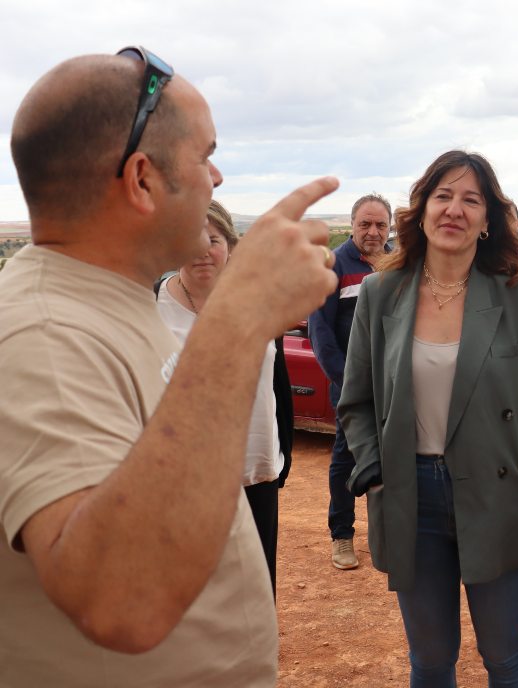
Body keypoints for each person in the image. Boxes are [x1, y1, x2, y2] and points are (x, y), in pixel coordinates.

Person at [0, 47, 337, 685]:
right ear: (142, 179)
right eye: (205, 155)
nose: (216, 179)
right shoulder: (44, 332)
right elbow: (121, 601)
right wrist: (237, 323)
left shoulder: (107, 303)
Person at [339, 150, 518, 687]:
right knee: (432, 658)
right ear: (421, 210)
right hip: (408, 495)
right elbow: (355, 401)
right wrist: (374, 471)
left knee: (505, 654)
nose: (454, 210)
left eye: (471, 200)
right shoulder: (380, 292)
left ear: (489, 221)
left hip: (498, 489)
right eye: (443, 196)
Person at [155, 199, 295, 595]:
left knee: (255, 591)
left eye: (213, 238)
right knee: (188, 598)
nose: (203, 249)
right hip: (179, 482)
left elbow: (276, 385)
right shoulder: (151, 306)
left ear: (230, 245)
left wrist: (282, 456)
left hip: (255, 472)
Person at [309, 192, 392, 569]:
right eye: (365, 224)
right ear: (352, 224)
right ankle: (342, 536)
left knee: (392, 458)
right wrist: (348, 382)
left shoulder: (398, 264)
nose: (373, 232)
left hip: (396, 387)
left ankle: (385, 537)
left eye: (380, 225)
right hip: (351, 387)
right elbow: (320, 333)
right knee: (345, 458)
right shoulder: (333, 265)